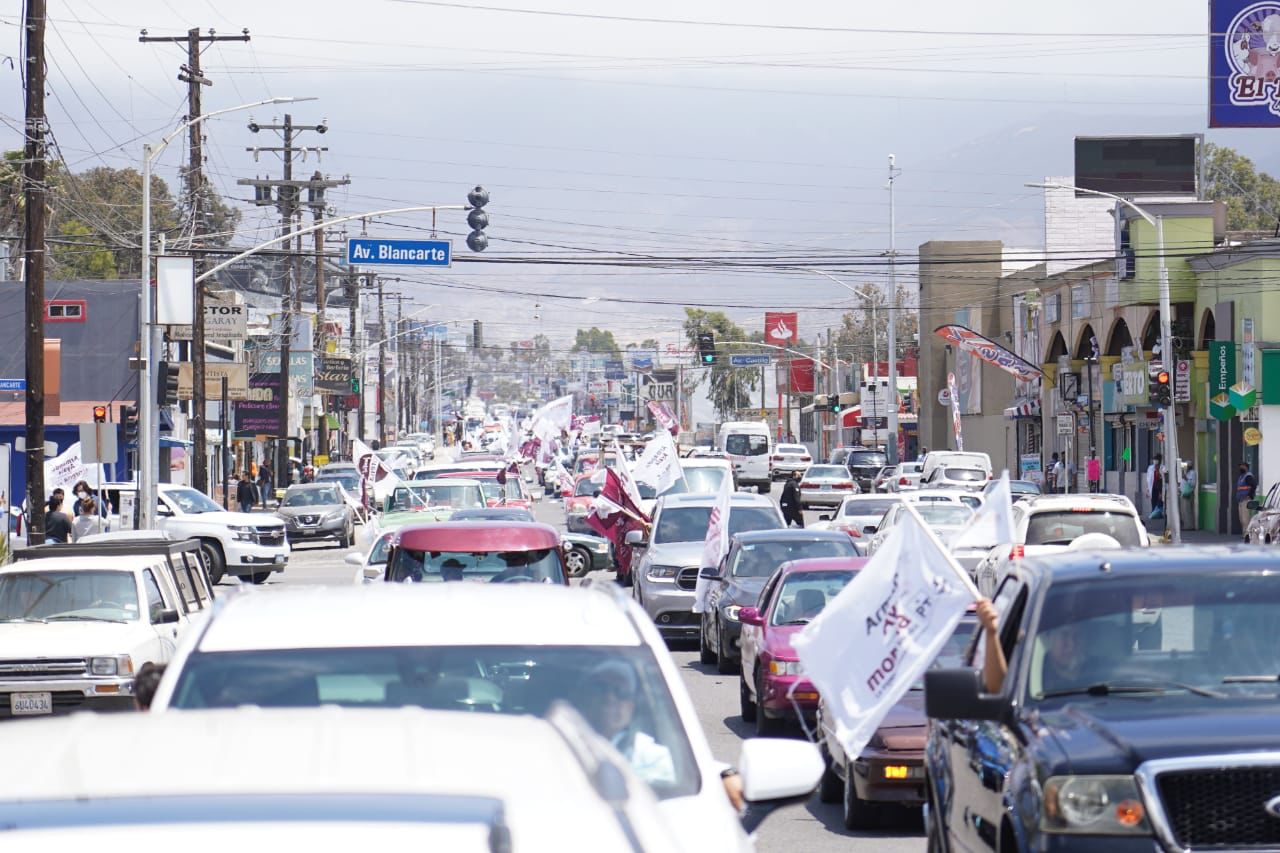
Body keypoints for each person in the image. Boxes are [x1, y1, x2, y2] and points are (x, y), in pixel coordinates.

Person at [575, 660, 674, 786]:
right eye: (601, 688)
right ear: (584, 698)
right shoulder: (556, 744)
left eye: (621, 692)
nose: (609, 698)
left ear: (631, 707)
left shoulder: (653, 757)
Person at [1237, 461, 1258, 538]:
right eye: (1240, 466)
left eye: (1242, 466)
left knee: (1246, 518)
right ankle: (1245, 533)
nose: (1240, 468)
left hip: (1246, 500)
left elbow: (1254, 485)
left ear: (1246, 467)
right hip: (1241, 500)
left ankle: (1248, 535)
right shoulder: (1241, 476)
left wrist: (1249, 495)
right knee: (1241, 518)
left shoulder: (1248, 476)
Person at [1147, 454, 1165, 519]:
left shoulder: (1163, 468)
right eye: (1154, 459)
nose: (1155, 461)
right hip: (1153, 488)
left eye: (1156, 459)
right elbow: (1148, 480)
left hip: (1160, 488)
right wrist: (1148, 490)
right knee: (1153, 501)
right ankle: (1153, 513)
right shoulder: (1150, 468)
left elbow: (1162, 479)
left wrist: (1158, 472)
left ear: (1159, 460)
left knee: (1159, 501)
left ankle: (1158, 514)